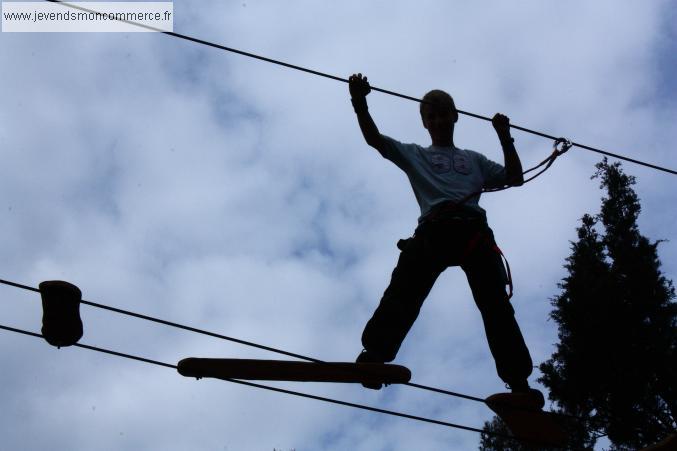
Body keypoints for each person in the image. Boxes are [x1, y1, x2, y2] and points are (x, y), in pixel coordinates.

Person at [348, 73, 543, 406]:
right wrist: (360, 102)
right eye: (431, 116)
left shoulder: (473, 160)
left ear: (456, 117)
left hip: (473, 233)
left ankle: (518, 382)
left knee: (496, 306)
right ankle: (375, 356)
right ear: (424, 122)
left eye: (443, 114)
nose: (438, 120)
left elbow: (515, 177)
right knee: (404, 290)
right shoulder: (415, 155)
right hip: (436, 229)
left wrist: (505, 137)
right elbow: (374, 139)